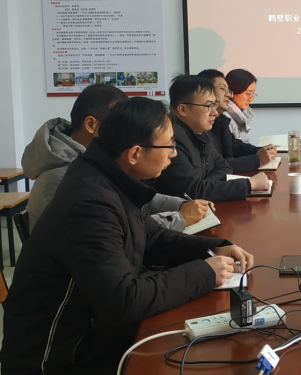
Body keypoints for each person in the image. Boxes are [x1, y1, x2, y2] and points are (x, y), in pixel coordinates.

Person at [0, 97, 254, 375]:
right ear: (134, 154)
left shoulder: (111, 178)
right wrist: (205, 273)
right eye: (169, 145)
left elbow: (152, 237)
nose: (174, 154)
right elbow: (123, 302)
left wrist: (215, 247)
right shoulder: (90, 202)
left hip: (95, 338)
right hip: (62, 359)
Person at [21, 84, 211, 232]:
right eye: (117, 122)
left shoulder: (97, 159)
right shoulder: (63, 177)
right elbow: (117, 229)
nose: (128, 131)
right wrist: (180, 218)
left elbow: (136, 199)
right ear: (91, 124)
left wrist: (180, 205)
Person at [155, 75, 270, 201]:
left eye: (214, 105)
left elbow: (224, 167)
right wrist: (248, 185)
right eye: (208, 106)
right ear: (183, 109)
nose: (214, 112)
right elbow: (194, 193)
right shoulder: (170, 140)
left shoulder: (201, 133)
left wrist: (205, 185)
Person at [198, 69, 277, 173]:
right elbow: (217, 165)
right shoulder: (199, 127)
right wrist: (257, 159)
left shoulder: (221, 120)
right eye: (223, 89)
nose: (228, 95)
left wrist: (261, 151)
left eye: (228, 90)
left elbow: (236, 146)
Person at [225, 68, 258, 143]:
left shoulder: (242, 115)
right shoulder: (225, 118)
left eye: (252, 94)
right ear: (231, 92)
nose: (251, 99)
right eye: (248, 94)